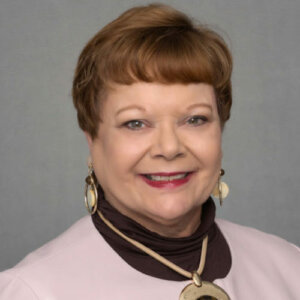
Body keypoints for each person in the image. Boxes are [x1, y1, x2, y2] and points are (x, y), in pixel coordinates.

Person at [0, 3, 299, 300]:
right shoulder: (32, 290)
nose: (169, 148)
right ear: (92, 139)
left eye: (195, 119)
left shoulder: (289, 268)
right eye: (136, 123)